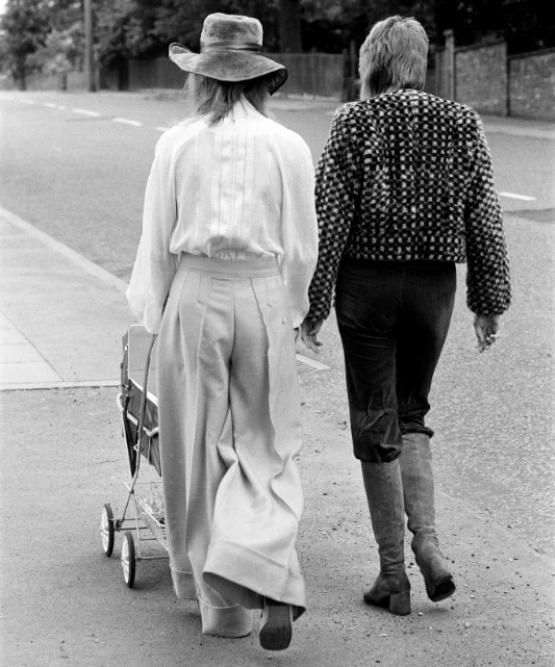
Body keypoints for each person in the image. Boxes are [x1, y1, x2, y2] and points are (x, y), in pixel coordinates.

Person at [301, 15, 510, 616]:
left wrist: (313, 306)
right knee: (412, 412)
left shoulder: (353, 120)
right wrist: (488, 302)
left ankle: (393, 573)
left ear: (372, 62)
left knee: (376, 416)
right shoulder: (462, 121)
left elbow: (328, 217)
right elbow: (485, 216)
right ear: (420, 63)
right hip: (432, 290)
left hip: (365, 287)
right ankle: (430, 544)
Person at [126, 13, 318, 650]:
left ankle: (223, 608)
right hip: (262, 291)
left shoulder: (177, 144)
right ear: (261, 78)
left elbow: (157, 238)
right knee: (267, 443)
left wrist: (156, 313)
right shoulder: (288, 146)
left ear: (202, 77)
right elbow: (301, 247)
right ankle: (270, 572)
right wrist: (290, 314)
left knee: (196, 446)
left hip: (196, 291)